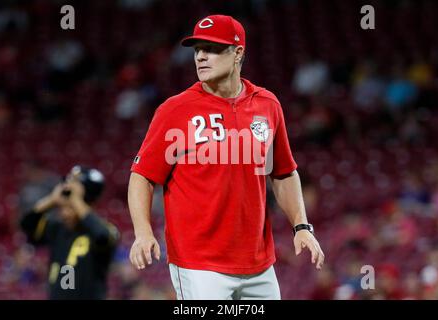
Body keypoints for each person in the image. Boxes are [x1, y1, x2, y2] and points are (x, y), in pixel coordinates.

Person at [128, 14, 325, 300]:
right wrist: (143, 232)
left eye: (212, 49)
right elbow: (142, 175)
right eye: (197, 50)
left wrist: (301, 226)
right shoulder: (175, 110)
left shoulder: (267, 105)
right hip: (199, 263)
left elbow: (283, 172)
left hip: (258, 262)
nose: (201, 57)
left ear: (238, 53)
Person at [20, 165, 119, 299]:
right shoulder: (56, 229)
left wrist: (76, 200)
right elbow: (26, 224)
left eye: (70, 208)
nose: (65, 213)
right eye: (63, 208)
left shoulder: (101, 229)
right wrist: (51, 200)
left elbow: (103, 236)